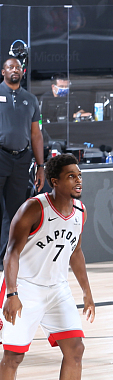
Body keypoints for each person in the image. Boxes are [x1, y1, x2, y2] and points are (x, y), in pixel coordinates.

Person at [0, 153, 100, 380]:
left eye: (80, 175)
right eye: (71, 176)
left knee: (76, 349)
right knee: (14, 356)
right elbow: (11, 253)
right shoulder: (34, 208)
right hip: (26, 288)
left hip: (57, 289)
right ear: (54, 181)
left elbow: (76, 252)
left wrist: (87, 291)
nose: (78, 180)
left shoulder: (80, 211)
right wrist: (12, 294)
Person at [0, 58, 44, 262]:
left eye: (17, 67)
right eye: (10, 67)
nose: (14, 70)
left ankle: (7, 256)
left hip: (22, 159)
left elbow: (36, 134)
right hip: (1, 155)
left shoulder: (31, 99)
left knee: (15, 210)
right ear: (3, 72)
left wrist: (41, 166)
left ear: (22, 71)